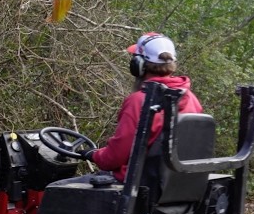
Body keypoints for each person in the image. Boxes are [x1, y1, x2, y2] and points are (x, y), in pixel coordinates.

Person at [83, 32, 203, 181]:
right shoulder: (191, 98)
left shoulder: (139, 101)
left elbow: (115, 157)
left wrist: (93, 155)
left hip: (137, 183)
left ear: (138, 65)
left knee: (55, 190)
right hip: (172, 185)